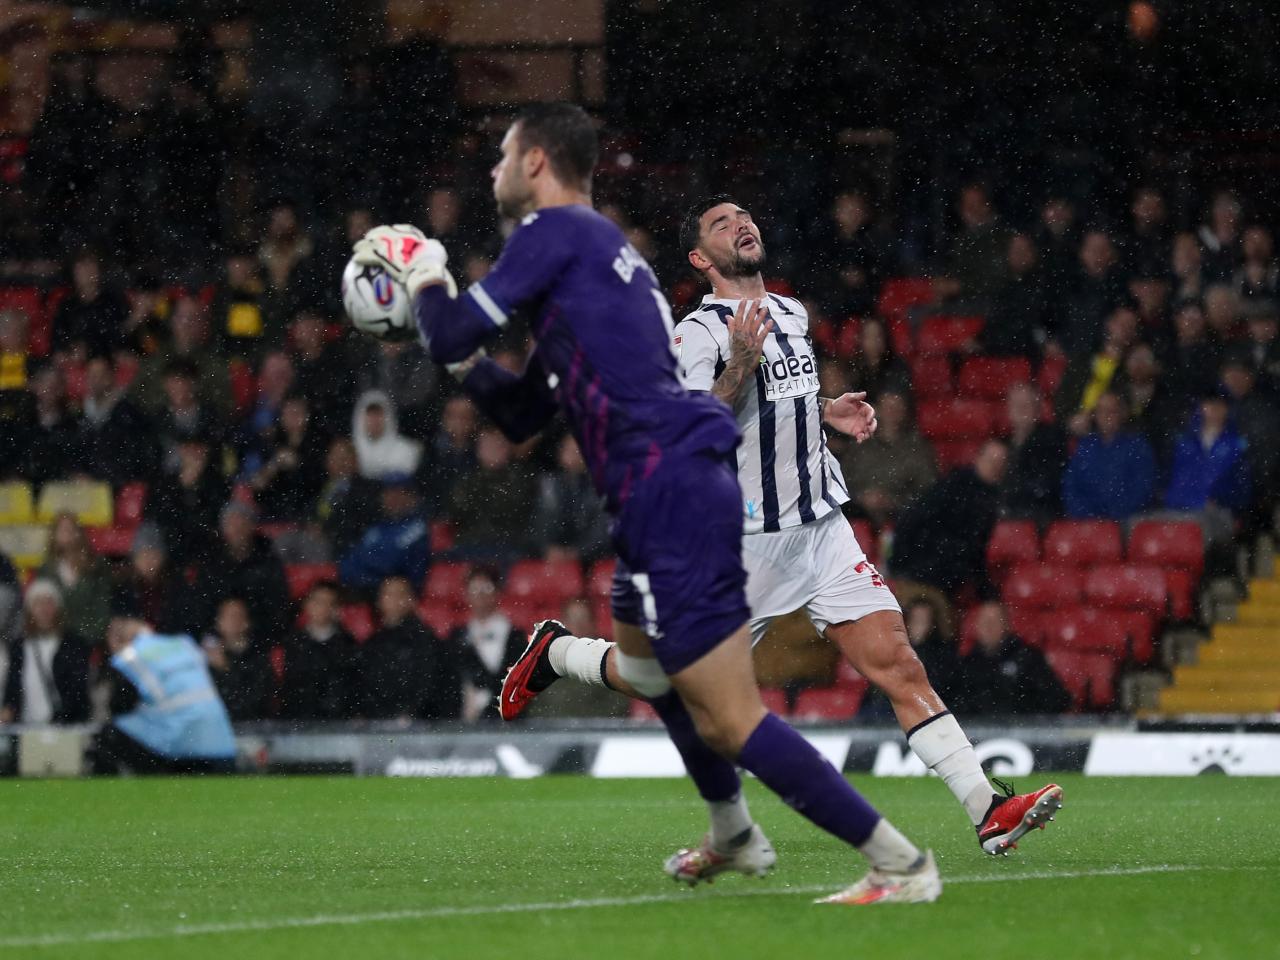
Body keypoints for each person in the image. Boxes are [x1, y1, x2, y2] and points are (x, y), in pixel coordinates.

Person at [355, 104, 947, 903]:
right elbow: (522, 412)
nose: (494, 169)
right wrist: (449, 344)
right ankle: (732, 833)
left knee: (730, 719)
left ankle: (898, 864)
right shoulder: (599, 263)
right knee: (645, 669)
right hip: (653, 493)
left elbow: (456, 329)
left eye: (503, 153)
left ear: (537, 162)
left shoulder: (555, 231)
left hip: (672, 490)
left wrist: (424, 273)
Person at [93, 614, 236, 775]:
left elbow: (119, 706)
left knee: (109, 733)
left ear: (117, 639)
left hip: (179, 747)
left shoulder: (130, 657)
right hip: (220, 743)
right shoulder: (184, 644)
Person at [890, 439, 1008, 600]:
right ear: (978, 458)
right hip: (926, 573)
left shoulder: (990, 496)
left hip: (938, 574)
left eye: (1000, 462)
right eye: (991, 460)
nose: (995, 466)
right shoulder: (954, 487)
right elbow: (914, 519)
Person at [359, 575, 461, 722]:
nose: (394, 599)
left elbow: (428, 684)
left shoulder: (426, 640)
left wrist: (410, 713)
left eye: (400, 594)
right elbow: (365, 686)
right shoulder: (372, 643)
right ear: (379, 601)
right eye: (388, 594)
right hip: (377, 724)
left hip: (418, 725)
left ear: (412, 600)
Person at [0, 579, 92, 725]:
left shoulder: (74, 645)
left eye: (49, 602)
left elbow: (77, 692)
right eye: (38, 603)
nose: (44, 609)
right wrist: (8, 711)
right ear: (29, 610)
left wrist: (63, 718)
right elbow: (13, 689)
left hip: (65, 727)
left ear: (59, 608)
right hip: (26, 726)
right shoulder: (19, 647)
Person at [955, 603, 1071, 716]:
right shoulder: (968, 663)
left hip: (1022, 726)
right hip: (979, 728)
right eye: (984, 621)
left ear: (1006, 626)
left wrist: (1023, 714)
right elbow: (958, 704)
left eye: (994, 621)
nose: (988, 626)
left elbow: (1056, 698)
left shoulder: (1027, 658)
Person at [1062, 391, 1156, 521]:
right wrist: (1087, 514)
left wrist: (1113, 516)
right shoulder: (1085, 446)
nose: (1107, 415)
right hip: (1087, 520)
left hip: (1127, 519)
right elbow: (1071, 487)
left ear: (1122, 413)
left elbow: (1142, 489)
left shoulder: (1138, 446)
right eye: (1101, 410)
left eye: (1112, 410)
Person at [448, 567, 526, 722]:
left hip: (508, 722)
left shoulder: (517, 638)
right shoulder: (456, 637)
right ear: (466, 594)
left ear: (498, 593)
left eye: (487, 588)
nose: (480, 595)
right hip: (465, 724)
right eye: (474, 589)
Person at [276, 580, 360, 721]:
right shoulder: (293, 642)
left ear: (336, 609)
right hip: (298, 719)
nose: (322, 608)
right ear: (307, 605)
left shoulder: (347, 643)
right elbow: (290, 686)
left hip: (337, 720)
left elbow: (349, 685)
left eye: (329, 603)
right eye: (318, 601)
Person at [337, 473, 431, 595]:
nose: (392, 499)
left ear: (411, 497)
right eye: (387, 493)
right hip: (366, 592)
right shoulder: (377, 527)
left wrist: (366, 566)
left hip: (400, 595)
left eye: (398, 493)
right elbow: (348, 564)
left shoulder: (418, 527)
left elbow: (391, 564)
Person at [201, 596, 272, 722]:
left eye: (237, 615)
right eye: (227, 616)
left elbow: (253, 705)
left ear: (246, 622)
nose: (232, 620)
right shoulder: (208, 658)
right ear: (218, 622)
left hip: (251, 728)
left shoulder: (258, 658)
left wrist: (225, 669)